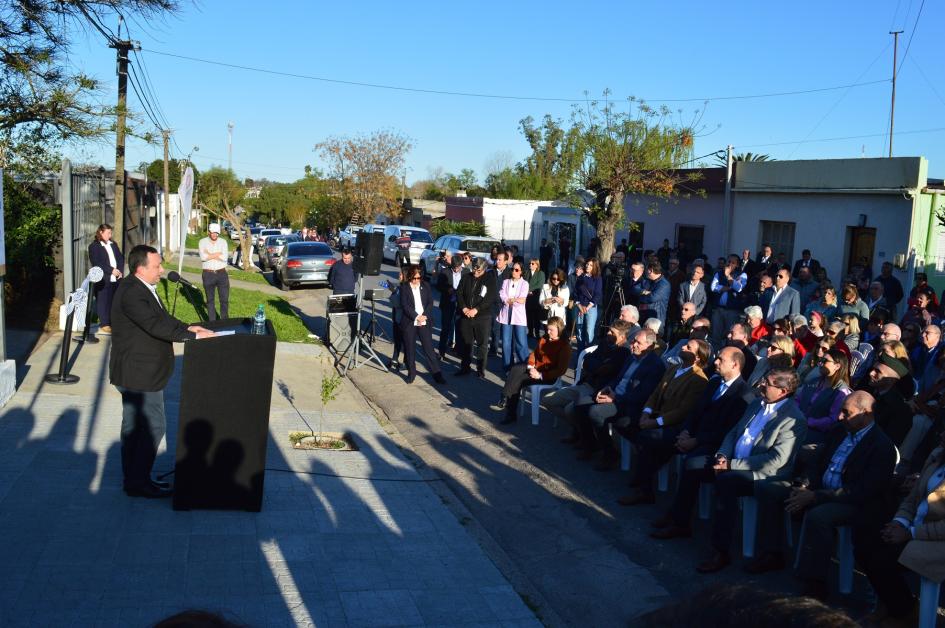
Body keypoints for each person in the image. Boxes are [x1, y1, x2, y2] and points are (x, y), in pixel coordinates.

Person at [747, 391, 897, 602]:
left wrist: (815, 497)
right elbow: (819, 463)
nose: (840, 417)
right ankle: (771, 553)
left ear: (866, 414)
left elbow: (862, 491)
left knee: (819, 516)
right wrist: (804, 486)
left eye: (847, 413)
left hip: (852, 502)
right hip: (819, 490)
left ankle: (815, 583)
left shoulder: (881, 447)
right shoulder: (840, 431)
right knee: (769, 489)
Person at [109, 245, 215, 498]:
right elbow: (155, 325)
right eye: (157, 266)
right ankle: (138, 482)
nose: (162, 270)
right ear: (140, 268)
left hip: (138, 372)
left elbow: (164, 318)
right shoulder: (132, 294)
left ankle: (134, 478)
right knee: (152, 426)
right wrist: (191, 337)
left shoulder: (141, 288)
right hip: (139, 374)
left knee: (134, 427)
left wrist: (191, 327)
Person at [691, 368, 807, 573]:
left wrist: (731, 465)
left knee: (727, 482)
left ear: (783, 391)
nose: (761, 385)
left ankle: (721, 551)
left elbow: (776, 460)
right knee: (693, 464)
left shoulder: (793, 419)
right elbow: (734, 432)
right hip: (734, 462)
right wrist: (722, 455)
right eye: (763, 380)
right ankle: (681, 520)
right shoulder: (755, 404)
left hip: (764, 474)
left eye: (768, 383)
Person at [853, 429, 945, 626]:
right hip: (914, 528)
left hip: (938, 541)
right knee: (865, 544)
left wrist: (910, 533)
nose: (942, 435)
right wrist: (899, 522)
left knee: (882, 560)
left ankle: (905, 612)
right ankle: (892, 605)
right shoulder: (938, 454)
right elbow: (912, 499)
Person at [615, 339, 711, 505]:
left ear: (697, 358)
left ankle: (644, 487)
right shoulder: (674, 369)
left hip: (675, 425)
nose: (682, 346)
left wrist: (655, 422)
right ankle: (645, 472)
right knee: (624, 424)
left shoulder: (698, 379)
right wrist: (646, 413)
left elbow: (682, 411)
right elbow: (655, 393)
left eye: (688, 347)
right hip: (656, 416)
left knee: (647, 437)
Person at [572, 328, 666, 470]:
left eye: (638, 343)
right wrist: (607, 389)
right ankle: (591, 445)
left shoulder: (655, 366)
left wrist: (615, 398)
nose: (633, 345)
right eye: (634, 341)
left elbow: (643, 395)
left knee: (595, 412)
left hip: (628, 404)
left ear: (650, 346)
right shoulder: (632, 357)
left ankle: (611, 454)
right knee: (580, 404)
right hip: (614, 395)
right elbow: (618, 379)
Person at [545, 319, 633, 443]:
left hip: (598, 389)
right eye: (609, 330)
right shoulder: (605, 343)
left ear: (622, 337)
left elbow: (606, 371)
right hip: (586, 383)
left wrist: (596, 365)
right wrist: (599, 365)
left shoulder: (625, 352)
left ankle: (585, 436)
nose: (608, 333)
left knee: (570, 410)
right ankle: (579, 428)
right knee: (548, 400)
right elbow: (587, 361)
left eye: (612, 332)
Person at [491, 316, 572, 424]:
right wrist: (530, 366)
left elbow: (561, 370)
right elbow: (534, 353)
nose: (548, 332)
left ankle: (508, 408)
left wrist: (540, 375)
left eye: (551, 330)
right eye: (547, 329)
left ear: (559, 329)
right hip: (535, 369)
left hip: (548, 376)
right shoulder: (545, 338)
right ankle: (505, 400)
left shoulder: (564, 346)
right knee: (515, 369)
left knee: (517, 378)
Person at [399, 265, 447, 386]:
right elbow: (405, 306)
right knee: (410, 349)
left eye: (418, 277)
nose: (416, 280)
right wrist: (416, 316)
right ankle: (412, 373)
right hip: (410, 321)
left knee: (429, 348)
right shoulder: (405, 287)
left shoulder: (425, 286)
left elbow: (430, 302)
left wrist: (424, 315)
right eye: (414, 278)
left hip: (424, 321)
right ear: (410, 276)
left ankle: (437, 374)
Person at [797, 349, 852, 444]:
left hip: (815, 435)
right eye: (821, 360)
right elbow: (798, 399)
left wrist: (809, 421)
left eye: (825, 361)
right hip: (797, 424)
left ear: (837, 366)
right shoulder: (814, 381)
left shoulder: (841, 392)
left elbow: (832, 419)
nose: (820, 363)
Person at [455, 257, 497, 378]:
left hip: (482, 317)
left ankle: (480, 369)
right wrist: (464, 308)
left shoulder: (490, 279)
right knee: (466, 342)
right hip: (466, 315)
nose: (476, 273)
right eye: (474, 269)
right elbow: (459, 293)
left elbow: (489, 298)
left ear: (484, 269)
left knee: (482, 344)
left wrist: (476, 309)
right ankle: (465, 367)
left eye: (479, 271)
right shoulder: (466, 277)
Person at [88, 223, 124, 334]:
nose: (110, 234)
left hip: (116, 277)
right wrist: (111, 270)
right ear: (101, 232)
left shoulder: (113, 244)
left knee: (113, 301)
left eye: (110, 232)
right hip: (103, 278)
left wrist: (120, 271)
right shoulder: (94, 247)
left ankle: (113, 321)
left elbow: (120, 258)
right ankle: (105, 323)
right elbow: (97, 263)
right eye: (108, 232)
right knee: (103, 301)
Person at [498, 260, 530, 372]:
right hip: (506, 314)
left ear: (521, 272)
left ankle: (525, 366)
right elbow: (502, 295)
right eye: (513, 269)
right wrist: (508, 300)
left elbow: (522, 299)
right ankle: (507, 367)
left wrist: (512, 300)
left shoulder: (524, 283)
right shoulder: (506, 281)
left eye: (517, 270)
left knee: (521, 343)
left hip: (519, 316)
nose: (514, 272)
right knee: (506, 343)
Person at [710, 255, 748, 348]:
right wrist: (729, 288)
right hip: (719, 310)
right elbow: (713, 287)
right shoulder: (718, 273)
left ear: (737, 265)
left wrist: (728, 276)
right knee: (715, 336)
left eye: (733, 263)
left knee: (730, 336)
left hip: (732, 311)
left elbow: (739, 288)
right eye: (728, 262)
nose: (730, 264)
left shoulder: (742, 275)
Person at [436, 256, 466, 359]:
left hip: (461, 305)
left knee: (459, 329)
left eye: (457, 267)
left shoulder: (466, 272)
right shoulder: (445, 272)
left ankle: (458, 350)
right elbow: (438, 286)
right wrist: (447, 289)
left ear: (461, 265)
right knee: (445, 328)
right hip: (448, 304)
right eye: (454, 267)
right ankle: (441, 352)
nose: (456, 269)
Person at [198, 223, 229, 321]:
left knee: (224, 300)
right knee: (210, 300)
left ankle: (224, 321)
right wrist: (218, 253)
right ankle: (212, 322)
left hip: (222, 273)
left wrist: (209, 254)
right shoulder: (202, 242)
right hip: (208, 274)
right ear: (209, 232)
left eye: (216, 233)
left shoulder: (223, 242)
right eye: (212, 233)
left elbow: (224, 258)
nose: (214, 235)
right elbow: (203, 258)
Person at [574, 258, 603, 352]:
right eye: (587, 264)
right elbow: (575, 293)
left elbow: (598, 294)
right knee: (579, 332)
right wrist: (579, 305)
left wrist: (588, 307)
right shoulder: (581, 277)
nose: (588, 266)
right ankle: (579, 356)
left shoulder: (597, 278)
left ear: (595, 266)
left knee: (589, 332)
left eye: (590, 265)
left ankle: (588, 355)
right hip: (580, 307)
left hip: (591, 308)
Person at [489, 251, 511, 356]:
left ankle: (507, 351)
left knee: (506, 330)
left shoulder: (510, 274)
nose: (497, 261)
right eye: (496, 259)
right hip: (493, 305)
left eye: (500, 260)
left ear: (506, 261)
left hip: (506, 305)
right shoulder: (491, 272)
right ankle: (493, 349)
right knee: (495, 328)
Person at [638, 261, 671, 328]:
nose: (645, 272)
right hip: (645, 315)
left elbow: (652, 298)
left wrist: (641, 297)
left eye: (646, 270)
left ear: (650, 270)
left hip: (656, 318)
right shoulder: (649, 280)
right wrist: (644, 292)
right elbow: (638, 289)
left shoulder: (664, 284)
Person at [386, 268, 405, 372]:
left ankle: (406, 363)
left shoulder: (405, 288)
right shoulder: (399, 286)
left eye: (401, 274)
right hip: (396, 318)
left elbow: (397, 303)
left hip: (403, 319)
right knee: (397, 340)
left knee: (405, 342)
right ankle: (394, 359)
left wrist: (394, 292)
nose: (399, 276)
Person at [525, 259, 546, 338]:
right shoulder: (527, 273)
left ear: (537, 265)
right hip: (528, 298)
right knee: (529, 316)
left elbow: (539, 284)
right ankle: (530, 332)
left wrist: (529, 290)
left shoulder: (540, 273)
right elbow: (524, 282)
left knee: (536, 317)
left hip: (536, 297)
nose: (530, 264)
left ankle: (537, 333)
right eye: (530, 263)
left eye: (532, 263)